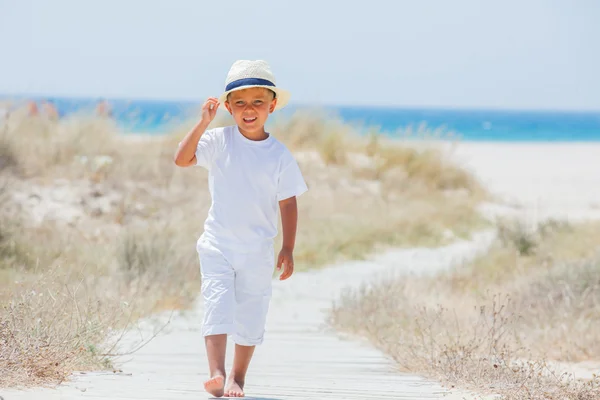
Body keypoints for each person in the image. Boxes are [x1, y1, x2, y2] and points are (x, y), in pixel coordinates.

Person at [173, 60, 308, 398]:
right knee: (216, 304)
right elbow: (182, 159)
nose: (250, 110)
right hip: (217, 244)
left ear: (272, 106)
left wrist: (287, 248)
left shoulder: (279, 155)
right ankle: (216, 373)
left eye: (258, 102)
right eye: (241, 103)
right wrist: (203, 122)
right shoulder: (219, 140)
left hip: (258, 250)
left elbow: (288, 203)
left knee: (251, 311)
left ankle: (238, 376)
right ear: (229, 107)